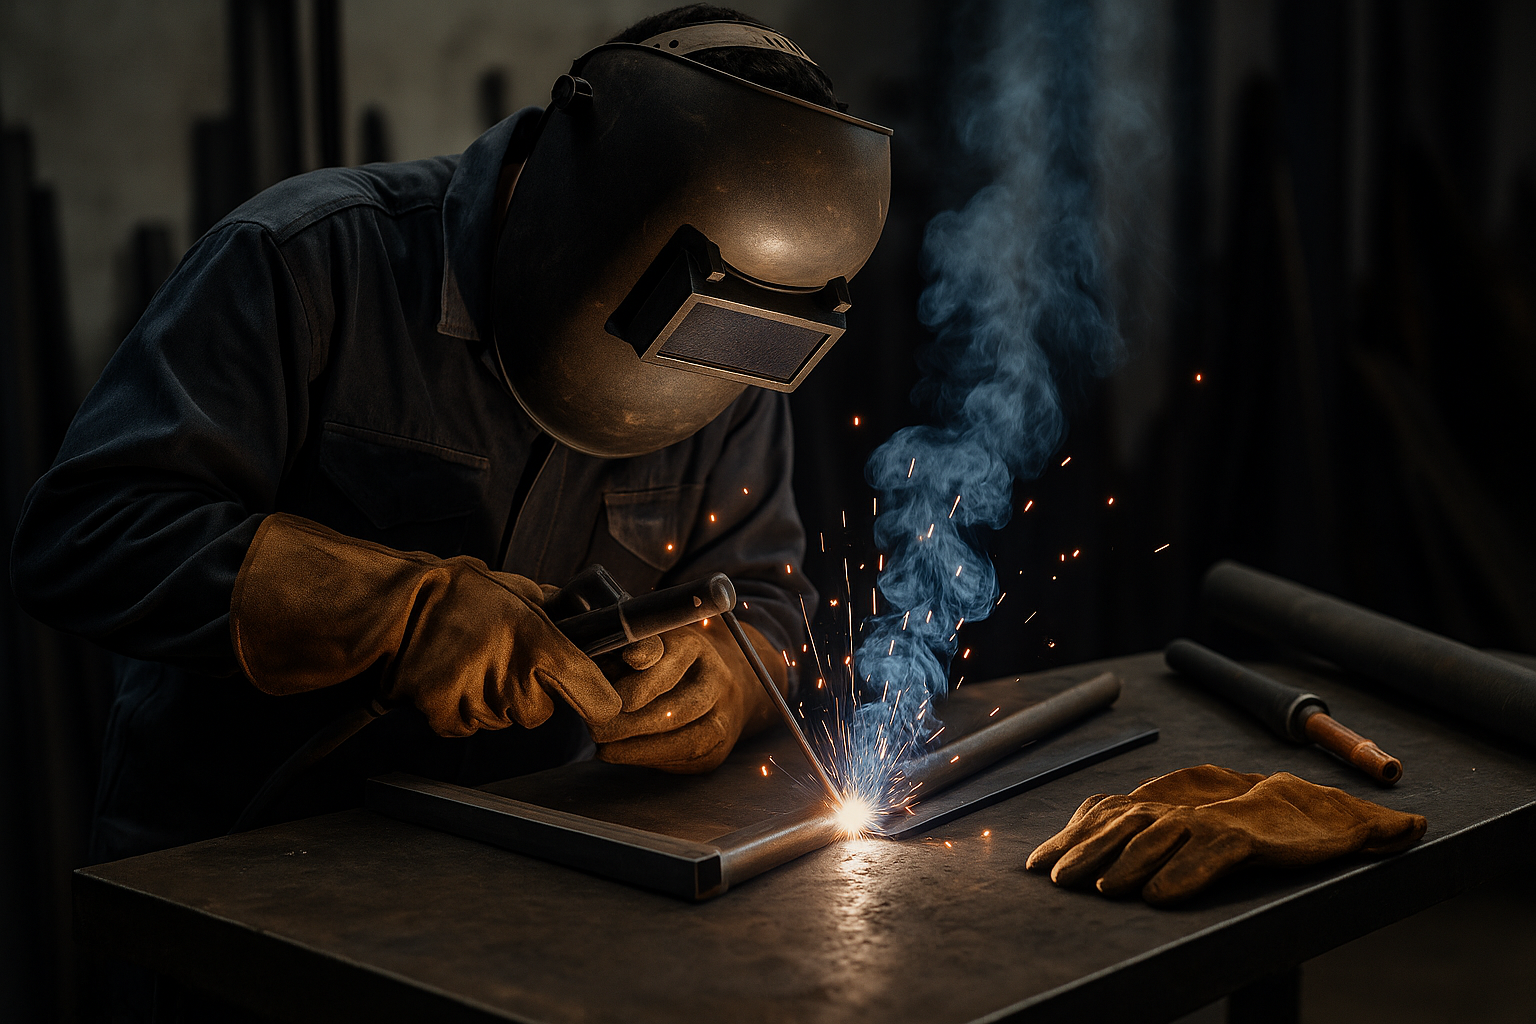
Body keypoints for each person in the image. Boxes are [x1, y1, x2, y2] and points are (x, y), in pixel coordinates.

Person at [10, 3, 890, 871]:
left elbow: (765, 599)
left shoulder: (737, 346)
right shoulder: (310, 262)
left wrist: (725, 683)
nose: (701, 364)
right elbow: (87, 533)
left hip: (515, 880)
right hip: (239, 865)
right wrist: (395, 614)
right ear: (573, 184)